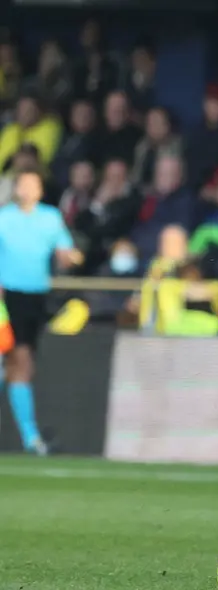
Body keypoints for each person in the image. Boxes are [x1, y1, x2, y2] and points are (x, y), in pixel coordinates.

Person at [0, 169, 81, 455]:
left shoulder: (50, 218)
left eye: (32, 184)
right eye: (22, 184)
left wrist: (70, 257)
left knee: (20, 365)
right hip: (7, 296)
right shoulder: (4, 217)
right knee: (19, 360)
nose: (27, 189)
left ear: (40, 190)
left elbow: (65, 252)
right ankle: (31, 438)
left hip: (36, 297)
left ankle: (30, 437)